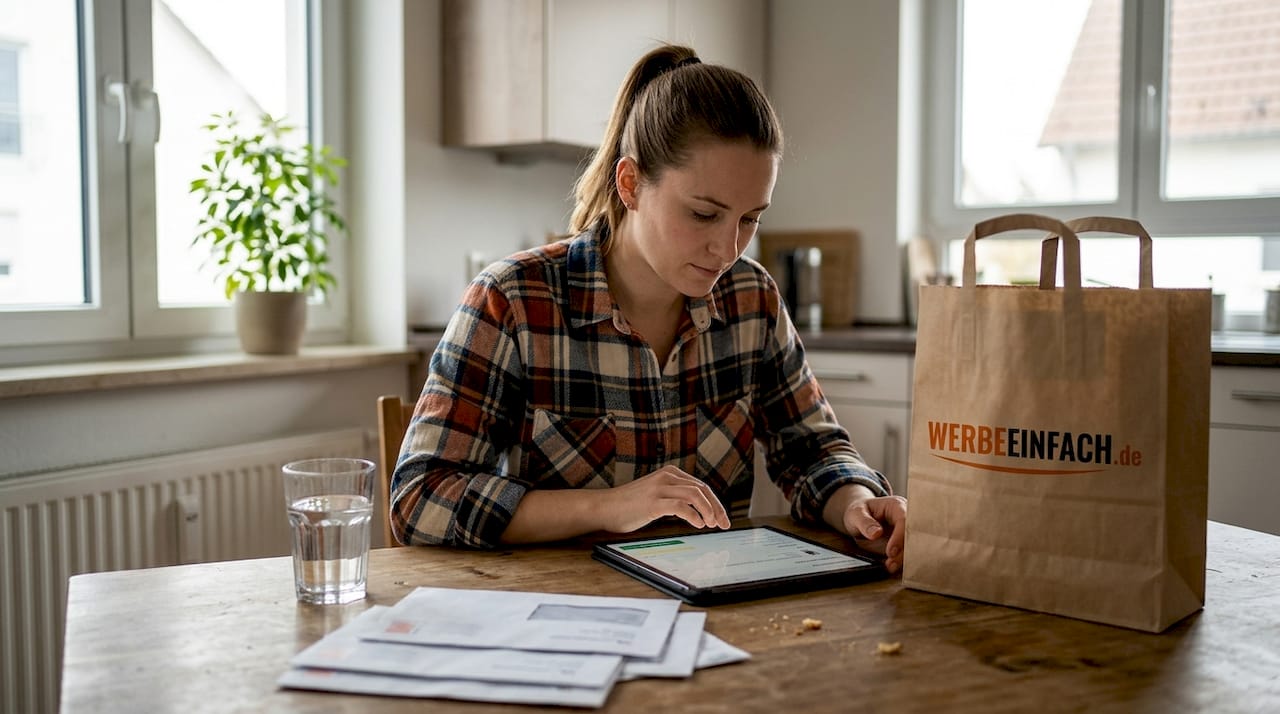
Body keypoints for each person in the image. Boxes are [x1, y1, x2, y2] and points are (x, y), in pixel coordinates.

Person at [390, 44, 907, 572]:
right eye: (704, 214)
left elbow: (812, 452)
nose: (729, 249)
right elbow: (419, 500)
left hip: (716, 611)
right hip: (560, 618)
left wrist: (858, 505)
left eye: (750, 218)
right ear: (631, 184)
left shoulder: (752, 299)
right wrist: (610, 507)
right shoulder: (512, 301)